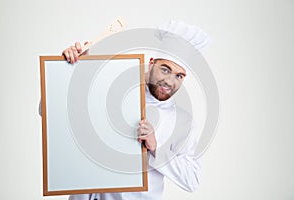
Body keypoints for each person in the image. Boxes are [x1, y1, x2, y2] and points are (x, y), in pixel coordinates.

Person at [62, 20, 210, 200]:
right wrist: (70, 69)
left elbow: (192, 180)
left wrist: (156, 148)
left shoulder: (183, 122)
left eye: (179, 76)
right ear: (152, 63)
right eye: (165, 70)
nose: (170, 82)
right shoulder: (111, 92)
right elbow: (52, 113)